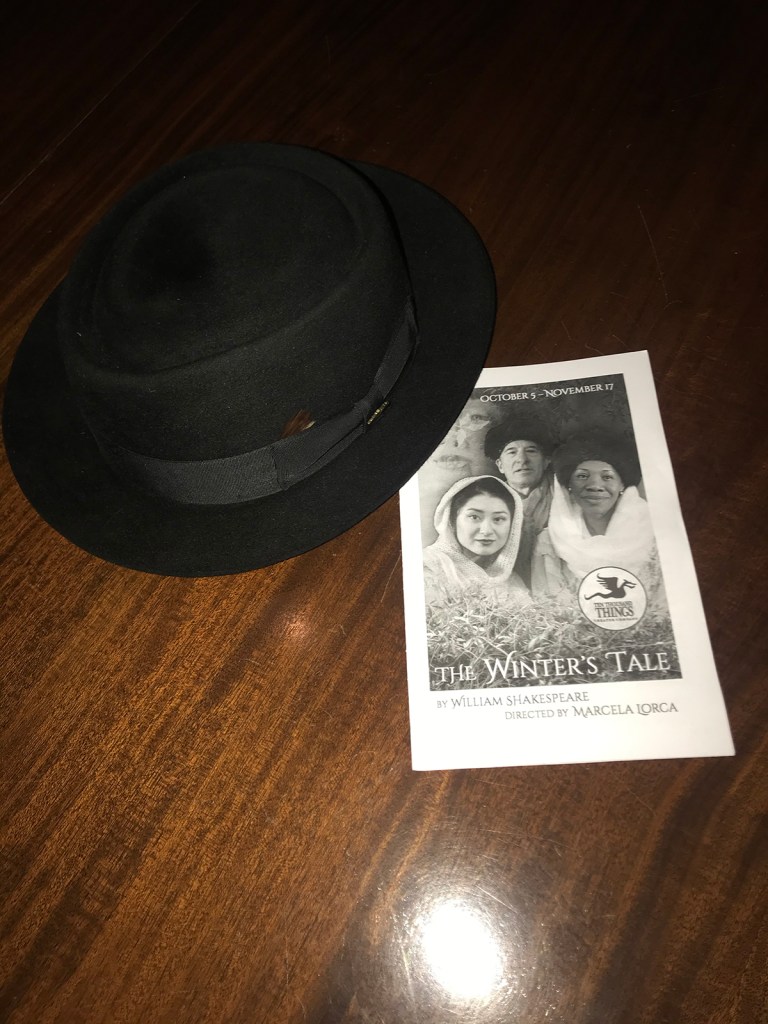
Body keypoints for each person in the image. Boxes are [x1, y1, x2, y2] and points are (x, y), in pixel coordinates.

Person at [531, 434, 659, 598]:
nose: (595, 486)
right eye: (582, 476)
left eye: (607, 477)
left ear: (622, 484)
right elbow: (545, 604)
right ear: (569, 485)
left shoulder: (652, 535)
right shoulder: (548, 541)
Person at [422, 475, 531, 609]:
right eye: (474, 517)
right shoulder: (429, 568)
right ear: (451, 520)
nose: (486, 530)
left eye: (498, 519)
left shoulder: (511, 582)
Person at [483, 414, 555, 585]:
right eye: (512, 452)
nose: (522, 460)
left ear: (546, 461)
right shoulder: (485, 501)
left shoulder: (564, 497)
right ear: (500, 465)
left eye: (531, 451)